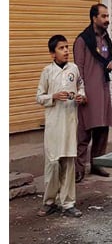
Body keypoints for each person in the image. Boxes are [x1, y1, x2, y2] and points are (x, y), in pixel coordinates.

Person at [36, 35, 86, 218]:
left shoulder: (74, 69)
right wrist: (53, 96)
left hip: (70, 122)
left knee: (69, 162)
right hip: (54, 124)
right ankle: (49, 202)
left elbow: (81, 87)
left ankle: (68, 203)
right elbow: (39, 97)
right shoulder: (47, 72)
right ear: (52, 53)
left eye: (67, 47)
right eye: (61, 48)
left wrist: (81, 96)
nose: (66, 51)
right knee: (53, 163)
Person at [74, 3, 112, 183]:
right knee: (84, 132)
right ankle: (78, 168)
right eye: (103, 16)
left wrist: (109, 65)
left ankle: (97, 163)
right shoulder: (83, 40)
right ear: (94, 18)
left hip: (103, 90)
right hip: (88, 92)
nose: (107, 20)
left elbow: (105, 59)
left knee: (102, 129)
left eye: (107, 16)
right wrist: (81, 91)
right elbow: (78, 69)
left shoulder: (105, 39)